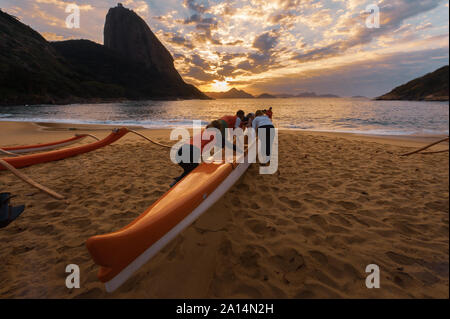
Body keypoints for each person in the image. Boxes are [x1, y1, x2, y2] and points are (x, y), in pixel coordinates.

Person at [172, 121, 222, 186]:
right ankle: (176, 183)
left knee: (189, 169)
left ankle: (178, 180)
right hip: (191, 151)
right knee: (194, 169)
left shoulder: (203, 130)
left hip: (180, 150)